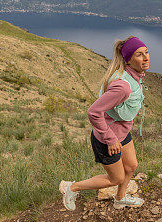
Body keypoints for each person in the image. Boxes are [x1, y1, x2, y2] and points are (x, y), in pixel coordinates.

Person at [58, 36, 149, 210]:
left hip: (121, 133)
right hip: (107, 139)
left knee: (131, 166)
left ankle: (120, 198)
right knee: (116, 178)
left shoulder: (132, 75)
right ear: (128, 60)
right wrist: (110, 139)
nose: (146, 58)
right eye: (139, 54)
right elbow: (93, 112)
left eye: (146, 52)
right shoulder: (123, 86)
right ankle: (71, 188)